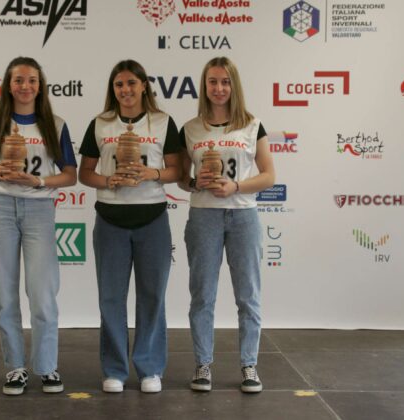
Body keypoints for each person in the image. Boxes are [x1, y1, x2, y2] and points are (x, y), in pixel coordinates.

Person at [78, 59, 181, 394]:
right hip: (111, 220)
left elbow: (177, 171)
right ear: (113, 89)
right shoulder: (100, 123)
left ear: (143, 86)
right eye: (119, 84)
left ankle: (150, 368)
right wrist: (109, 180)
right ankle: (114, 369)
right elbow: (85, 173)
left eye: (131, 83)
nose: (126, 90)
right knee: (111, 298)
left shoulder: (163, 122)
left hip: (152, 220)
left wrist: (152, 173)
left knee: (152, 296)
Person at [0, 57, 77, 396]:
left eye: (32, 80)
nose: (25, 86)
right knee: (6, 296)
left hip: (39, 209)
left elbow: (70, 175)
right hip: (1, 209)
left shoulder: (55, 125)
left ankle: (47, 367)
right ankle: (15, 368)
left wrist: (39, 181)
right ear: (8, 85)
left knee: (42, 294)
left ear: (40, 85)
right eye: (18, 80)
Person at [178, 56, 275, 393]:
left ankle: (249, 364)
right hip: (204, 216)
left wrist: (236, 186)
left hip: (243, 215)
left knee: (248, 295)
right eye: (213, 82)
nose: (219, 88)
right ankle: (203, 364)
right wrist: (196, 182)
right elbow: (182, 179)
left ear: (234, 85)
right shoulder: (190, 128)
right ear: (204, 86)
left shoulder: (252, 125)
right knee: (202, 295)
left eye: (225, 82)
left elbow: (268, 175)